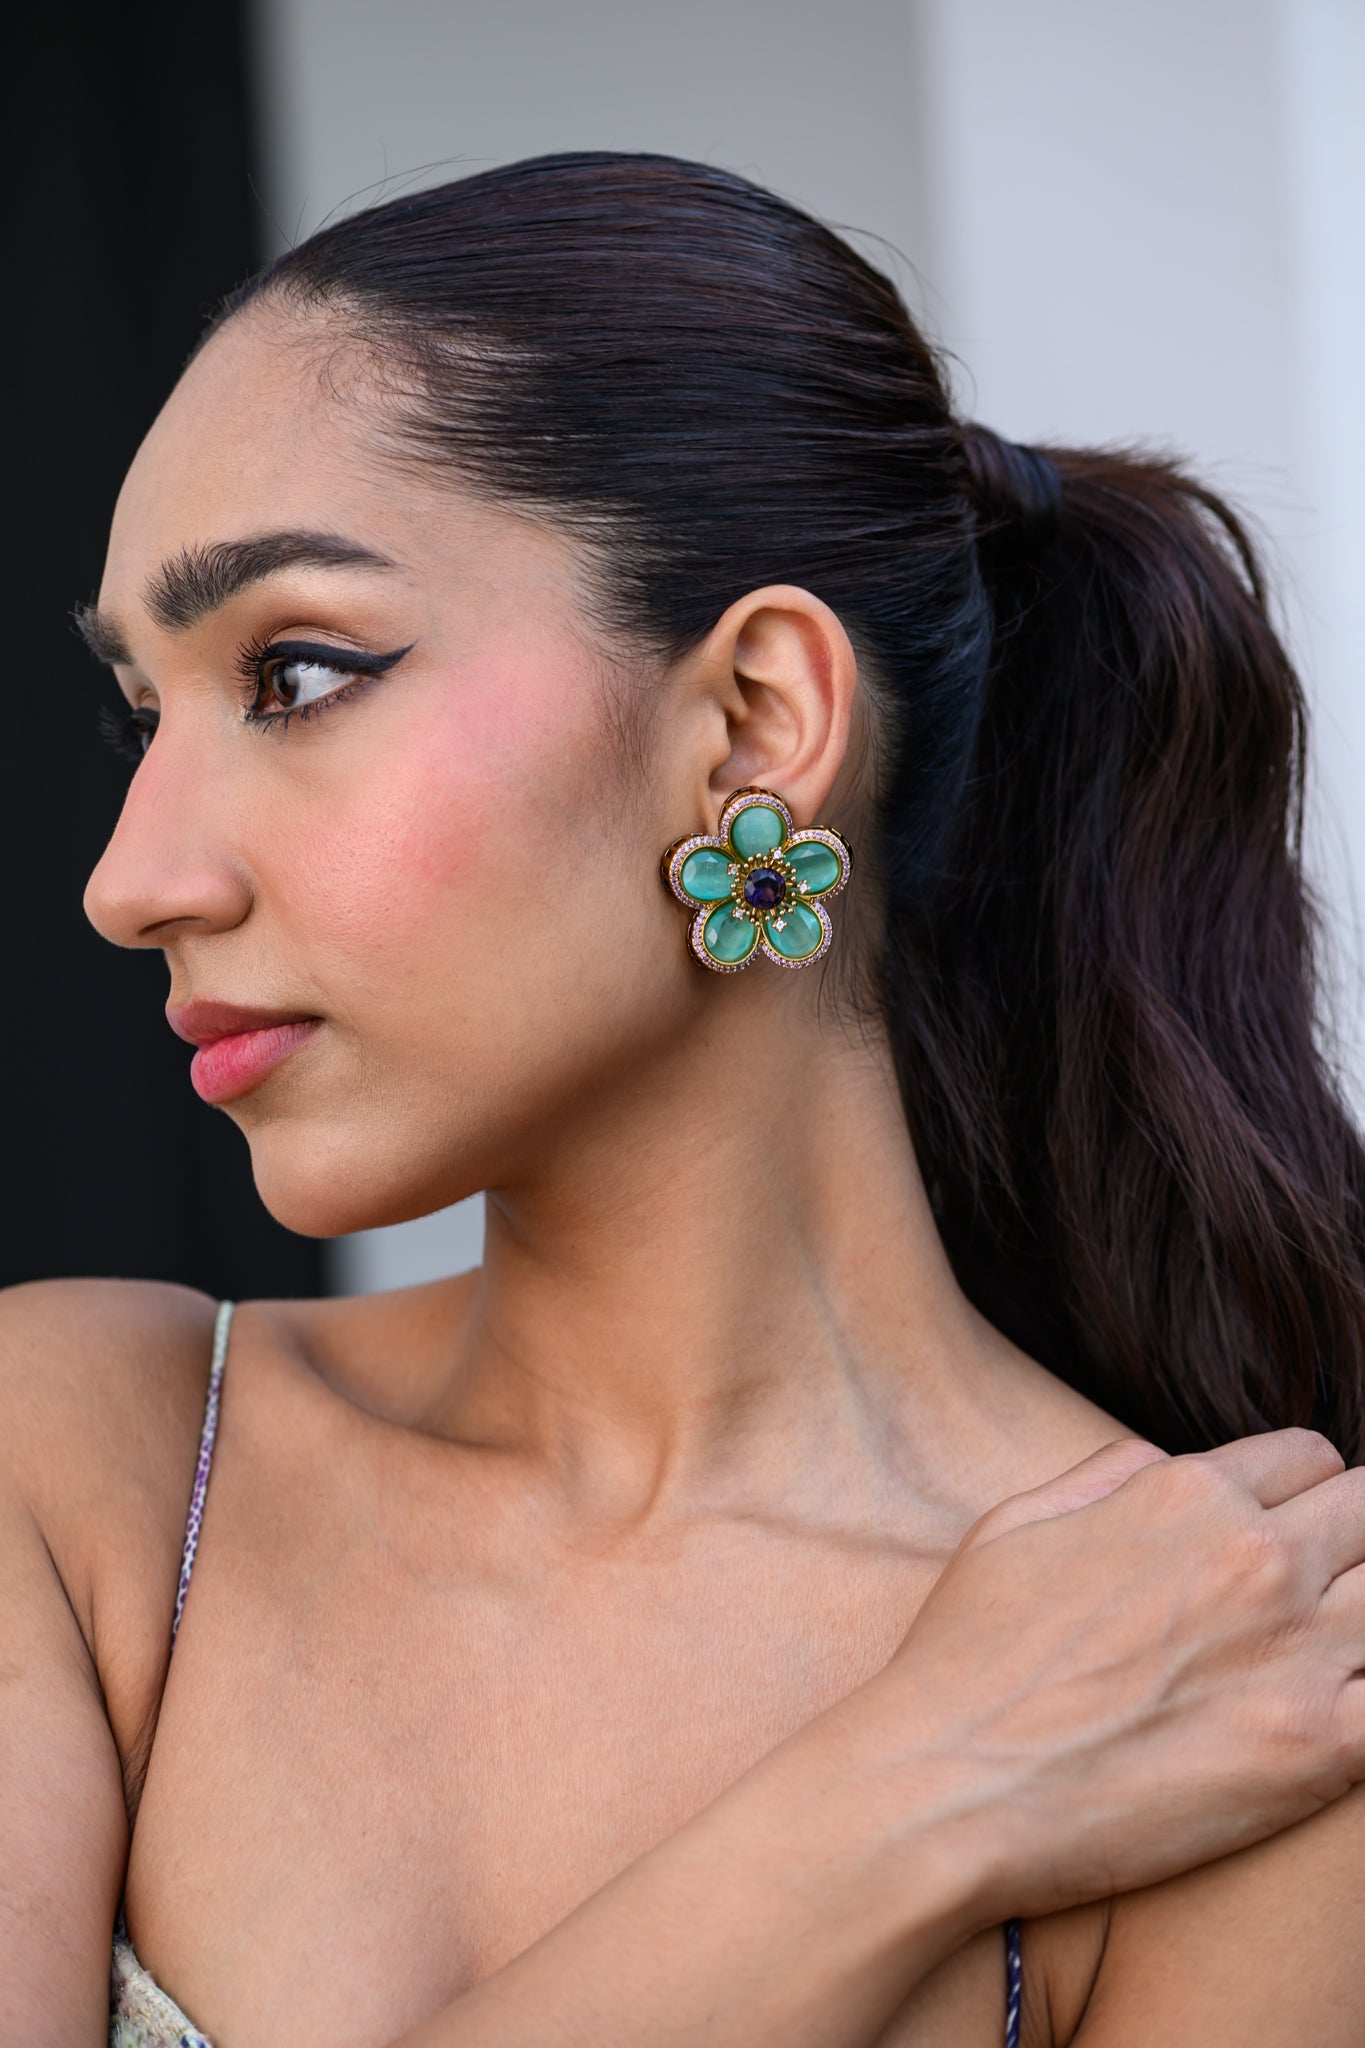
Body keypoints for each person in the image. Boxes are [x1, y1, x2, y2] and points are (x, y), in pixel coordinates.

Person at [5, 151, 1364, 2048]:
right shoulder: (84, 1465)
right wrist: (909, 1793)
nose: (132, 879)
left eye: (294, 673)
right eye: (143, 717)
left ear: (751, 724)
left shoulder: (1227, 1676)